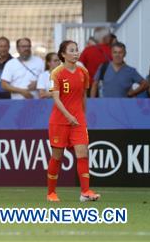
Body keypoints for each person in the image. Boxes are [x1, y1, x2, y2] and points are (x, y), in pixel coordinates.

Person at [46, 40, 100, 202]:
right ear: (63, 54)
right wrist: (69, 116)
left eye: (77, 50)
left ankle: (85, 192)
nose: (76, 53)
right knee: (57, 156)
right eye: (72, 50)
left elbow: (83, 96)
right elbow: (56, 98)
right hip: (59, 121)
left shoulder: (83, 72)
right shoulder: (56, 73)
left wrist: (82, 116)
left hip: (78, 121)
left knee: (83, 153)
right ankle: (51, 193)